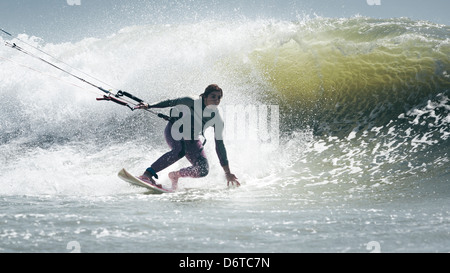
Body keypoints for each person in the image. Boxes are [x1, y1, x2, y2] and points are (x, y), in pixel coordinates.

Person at [134, 84, 240, 191]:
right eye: (213, 96)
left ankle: (175, 175)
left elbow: (220, 146)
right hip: (174, 130)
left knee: (203, 170)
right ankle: (147, 174)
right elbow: (170, 102)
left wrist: (228, 173)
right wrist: (149, 105)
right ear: (205, 96)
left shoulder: (217, 119)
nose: (216, 100)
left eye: (219, 98)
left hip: (191, 138)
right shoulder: (190, 101)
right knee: (180, 150)